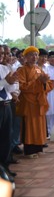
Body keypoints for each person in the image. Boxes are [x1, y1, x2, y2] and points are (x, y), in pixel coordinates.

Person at [16, 46, 54, 158]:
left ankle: (38, 147)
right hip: (29, 102)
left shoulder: (39, 69)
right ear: (25, 57)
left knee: (39, 125)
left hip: (39, 102)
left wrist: (45, 83)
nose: (34, 57)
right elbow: (22, 86)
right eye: (31, 55)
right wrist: (39, 82)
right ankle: (29, 150)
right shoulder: (22, 70)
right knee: (29, 125)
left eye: (36, 55)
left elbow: (45, 85)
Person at [0, 45, 19, 179]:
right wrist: (5, 81)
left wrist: (12, 82)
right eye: (1, 53)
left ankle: (5, 168)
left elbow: (10, 87)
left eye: (4, 53)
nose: (4, 56)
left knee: (6, 138)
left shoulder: (5, 68)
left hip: (6, 105)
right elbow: (3, 83)